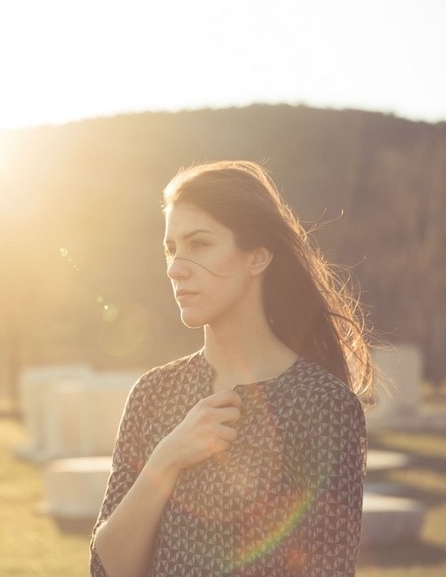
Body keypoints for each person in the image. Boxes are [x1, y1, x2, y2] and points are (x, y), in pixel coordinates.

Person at [90, 160, 374, 576]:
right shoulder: (153, 393)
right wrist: (166, 459)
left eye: (199, 244)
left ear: (256, 257)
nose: (176, 267)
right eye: (171, 249)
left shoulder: (324, 405)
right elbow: (106, 568)